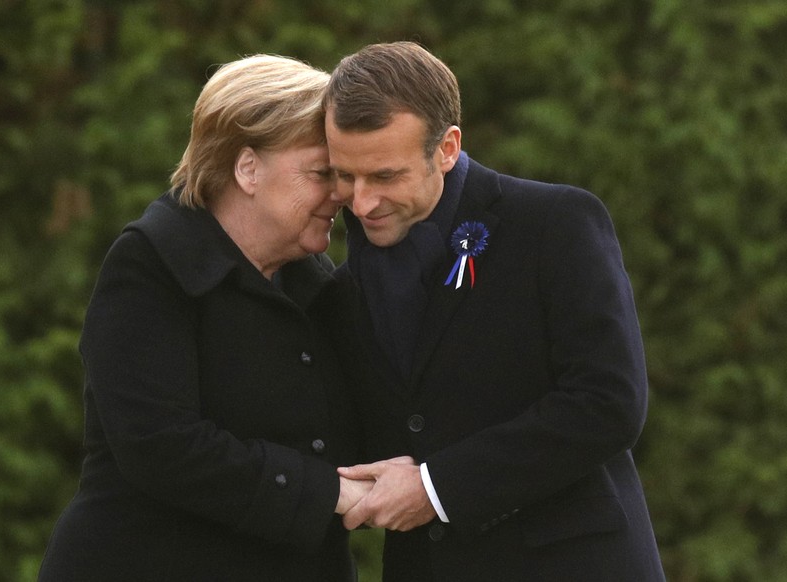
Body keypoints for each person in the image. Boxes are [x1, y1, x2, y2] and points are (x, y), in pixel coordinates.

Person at [324, 41, 666, 581]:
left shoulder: (556, 224)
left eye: (385, 176)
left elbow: (608, 403)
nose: (362, 203)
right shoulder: (339, 289)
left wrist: (438, 489)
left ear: (447, 148)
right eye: (345, 175)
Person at [38, 54, 371, 582]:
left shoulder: (315, 279)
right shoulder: (152, 264)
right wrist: (328, 491)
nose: (341, 194)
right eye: (321, 172)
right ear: (247, 169)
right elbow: (160, 445)